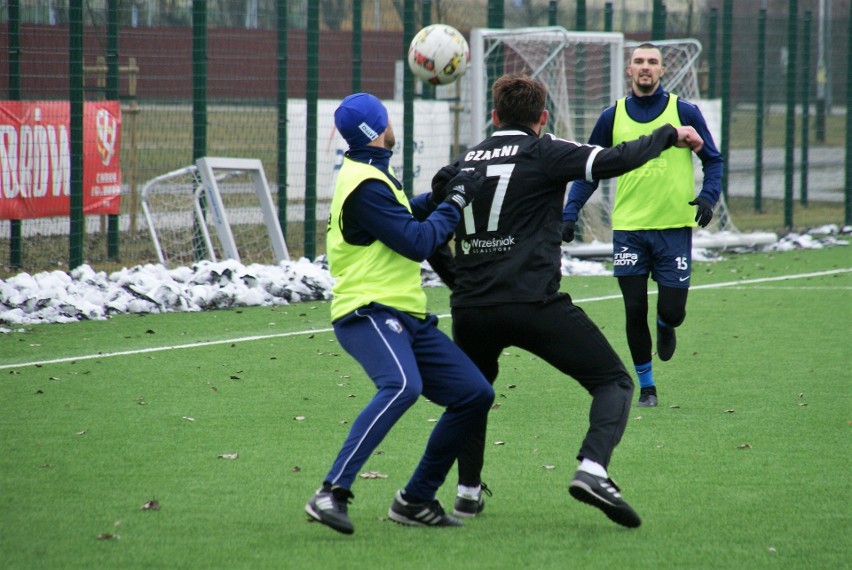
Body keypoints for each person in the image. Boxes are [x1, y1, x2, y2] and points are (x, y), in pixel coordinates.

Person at [430, 74, 704, 528]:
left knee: (472, 397)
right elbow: (617, 159)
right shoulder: (545, 150)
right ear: (543, 119)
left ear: (494, 117)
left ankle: (467, 492)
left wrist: (457, 282)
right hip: (532, 302)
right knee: (614, 382)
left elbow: (429, 229)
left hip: (472, 309)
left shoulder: (463, 162)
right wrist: (667, 135)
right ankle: (593, 469)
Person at [304, 92, 495, 535]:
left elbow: (405, 215)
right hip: (367, 311)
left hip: (405, 315)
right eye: (386, 119)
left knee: (475, 394)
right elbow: (416, 241)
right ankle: (331, 491)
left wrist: (439, 194)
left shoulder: (370, 174)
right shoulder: (366, 184)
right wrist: (456, 201)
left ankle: (415, 499)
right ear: (378, 131)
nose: (393, 124)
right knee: (403, 385)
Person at [562, 43, 724, 408]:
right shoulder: (611, 116)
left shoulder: (684, 111)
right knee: (633, 309)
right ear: (628, 70)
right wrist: (569, 212)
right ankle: (647, 387)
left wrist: (708, 197)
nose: (645, 67)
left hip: (673, 228)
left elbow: (713, 161)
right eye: (639, 62)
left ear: (663, 71)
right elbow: (590, 170)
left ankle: (667, 326)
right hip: (630, 229)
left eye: (652, 62)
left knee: (672, 311)